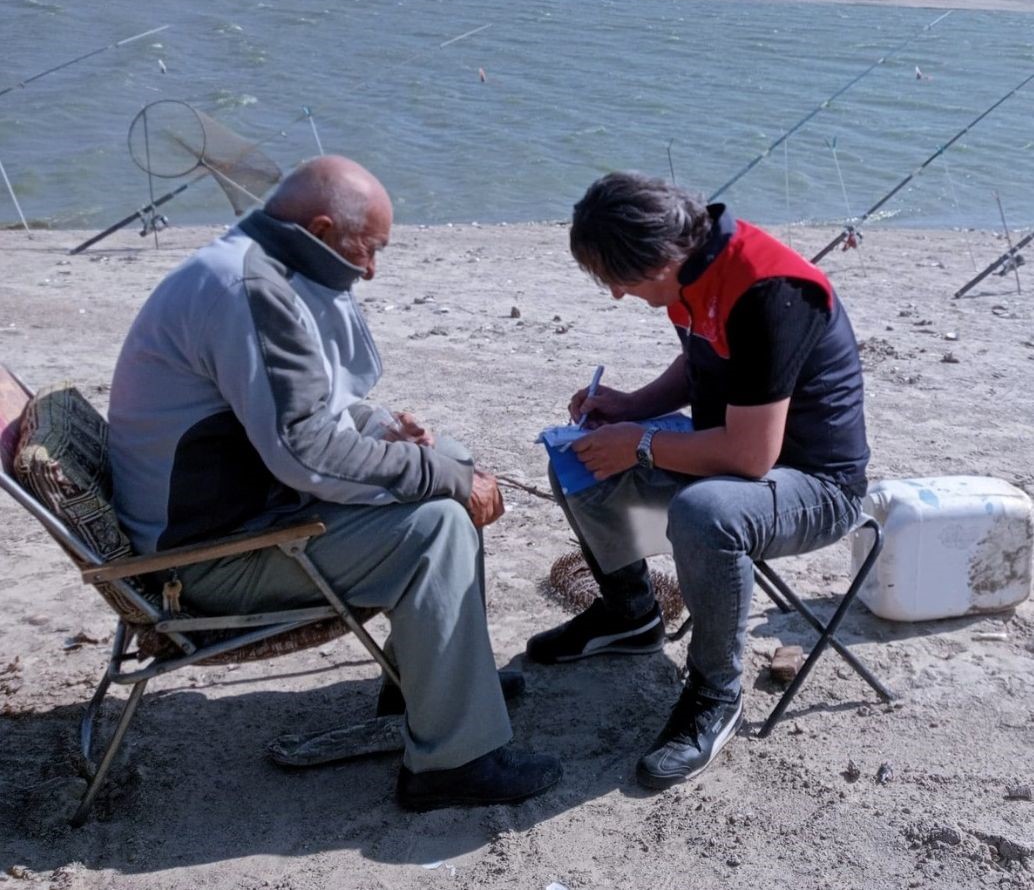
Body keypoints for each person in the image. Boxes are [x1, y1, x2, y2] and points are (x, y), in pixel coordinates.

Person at [108, 155, 561, 810]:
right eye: (367, 251)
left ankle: (431, 687)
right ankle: (451, 766)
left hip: (229, 516)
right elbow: (305, 455)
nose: (371, 270)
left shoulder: (253, 260)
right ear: (321, 230)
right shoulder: (249, 291)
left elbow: (284, 407)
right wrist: (440, 476)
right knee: (438, 521)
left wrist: (382, 428)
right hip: (204, 563)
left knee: (450, 463)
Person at [526, 172, 869, 790]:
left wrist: (643, 444)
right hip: (737, 458)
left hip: (818, 486)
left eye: (618, 281)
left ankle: (716, 692)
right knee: (577, 457)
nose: (615, 296)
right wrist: (630, 407)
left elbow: (749, 459)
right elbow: (701, 362)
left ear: (659, 258)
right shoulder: (693, 268)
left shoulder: (770, 289)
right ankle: (629, 613)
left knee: (707, 513)